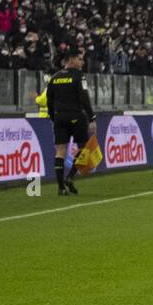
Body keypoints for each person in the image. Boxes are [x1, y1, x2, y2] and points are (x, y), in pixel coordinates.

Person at [46, 49, 96, 196]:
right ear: (72, 60)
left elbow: (49, 101)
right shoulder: (79, 76)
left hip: (59, 117)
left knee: (60, 151)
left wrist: (53, 117)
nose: (82, 62)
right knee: (84, 148)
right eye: (80, 59)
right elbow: (84, 98)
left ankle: (61, 188)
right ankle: (70, 177)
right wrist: (92, 117)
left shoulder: (54, 78)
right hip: (76, 116)